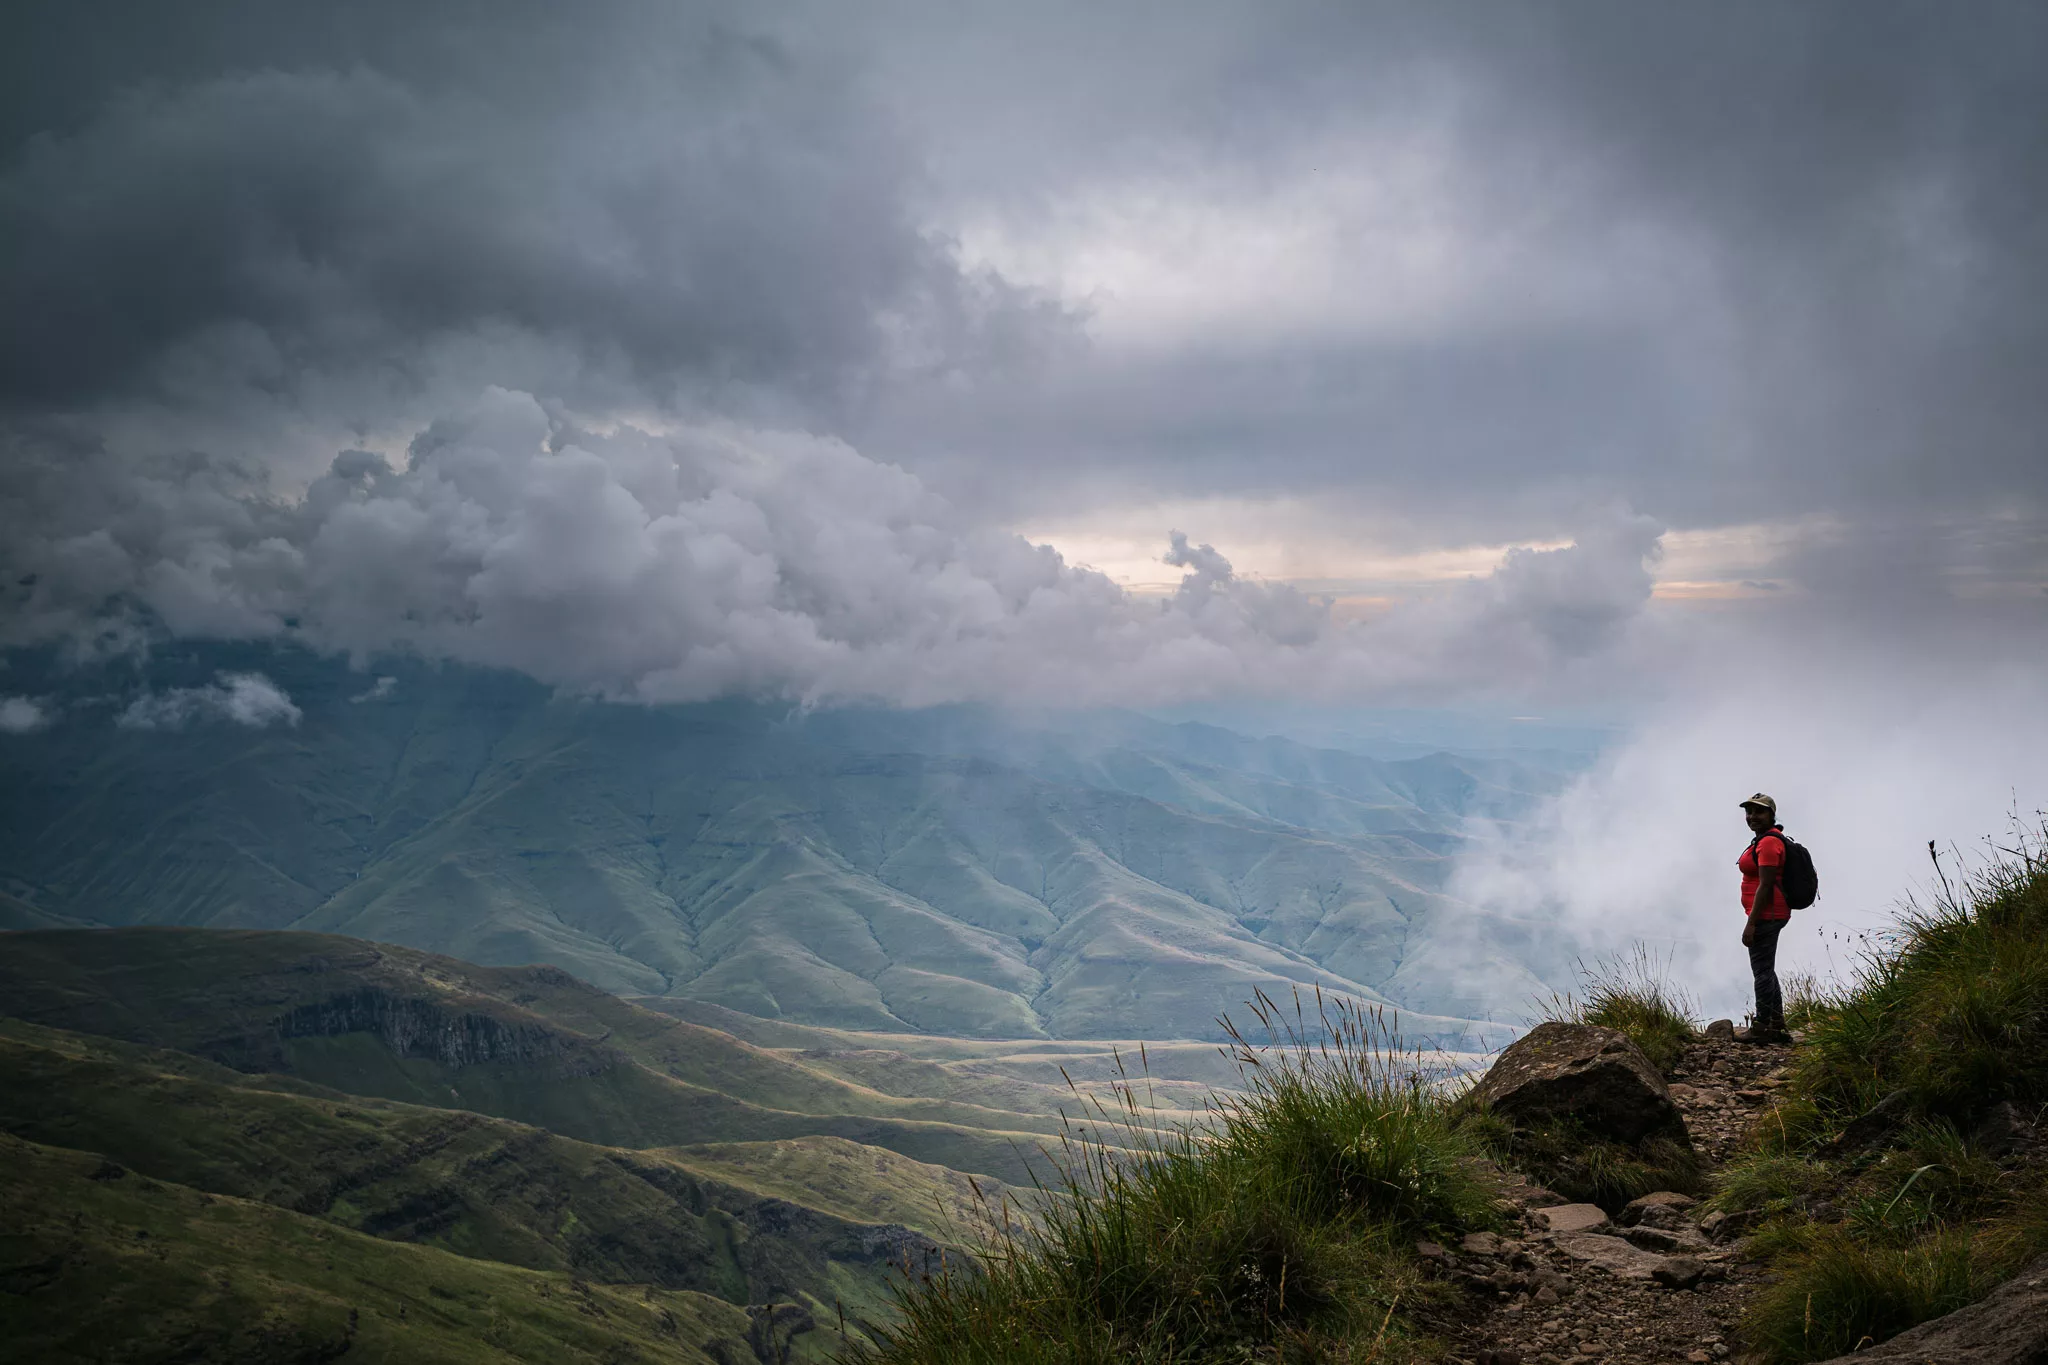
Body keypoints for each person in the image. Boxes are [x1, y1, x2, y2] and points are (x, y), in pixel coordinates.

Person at [1735, 793, 1793, 1043]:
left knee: (1761, 971)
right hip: (1768, 913)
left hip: (1767, 915)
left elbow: (1766, 885)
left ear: (1771, 815)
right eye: (1749, 812)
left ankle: (1761, 1028)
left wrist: (1751, 923)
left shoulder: (1769, 843)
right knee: (1766, 970)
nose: (1752, 817)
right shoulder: (1764, 840)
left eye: (1758, 812)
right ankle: (1776, 1025)